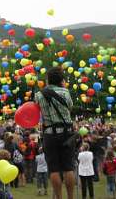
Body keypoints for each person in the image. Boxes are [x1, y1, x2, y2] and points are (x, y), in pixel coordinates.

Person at [35, 67, 75, 199]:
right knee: (68, 167)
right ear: (61, 80)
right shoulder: (65, 92)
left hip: (50, 133)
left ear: (48, 79)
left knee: (54, 169)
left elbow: (36, 111)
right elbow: (70, 107)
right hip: (67, 132)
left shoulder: (39, 95)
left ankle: (58, 197)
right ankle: (71, 196)